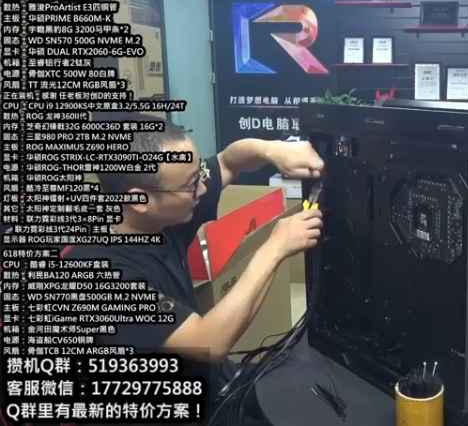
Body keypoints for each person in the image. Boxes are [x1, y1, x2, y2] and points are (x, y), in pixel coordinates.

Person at [66, 112, 325, 425]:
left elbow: (228, 162)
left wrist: (272, 150)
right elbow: (209, 343)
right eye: (191, 185)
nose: (202, 190)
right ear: (140, 200)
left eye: (197, 174)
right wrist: (274, 249)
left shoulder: (158, 215)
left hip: (213, 380)